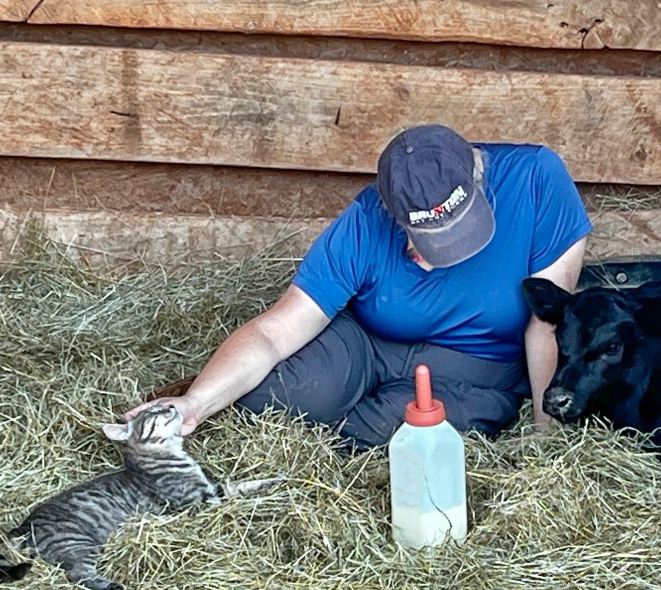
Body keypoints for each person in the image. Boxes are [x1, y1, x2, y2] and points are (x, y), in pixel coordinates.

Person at [126, 124, 592, 448]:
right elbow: (276, 331)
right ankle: (301, 405)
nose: (434, 259)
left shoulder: (535, 180)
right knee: (270, 398)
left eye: (456, 235)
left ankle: (363, 420)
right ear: (391, 214)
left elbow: (547, 322)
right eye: (423, 240)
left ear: (477, 178)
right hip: (370, 343)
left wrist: (544, 432)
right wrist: (195, 405)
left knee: (406, 430)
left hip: (477, 363)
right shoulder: (365, 221)